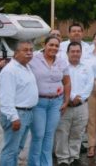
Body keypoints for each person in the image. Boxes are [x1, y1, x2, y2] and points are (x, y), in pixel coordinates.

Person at [29, 34, 71, 166]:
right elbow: (18, 62)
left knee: (49, 135)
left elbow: (67, 83)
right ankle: (34, 164)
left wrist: (66, 101)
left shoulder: (62, 62)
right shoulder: (33, 59)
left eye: (56, 46)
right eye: (51, 45)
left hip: (55, 103)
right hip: (38, 103)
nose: (54, 47)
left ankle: (46, 164)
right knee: (38, 135)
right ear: (44, 45)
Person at [0, 40, 38, 166]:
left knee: (17, 149)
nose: (29, 53)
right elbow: (5, 98)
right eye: (25, 50)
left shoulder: (26, 66)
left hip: (26, 113)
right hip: (16, 114)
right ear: (16, 53)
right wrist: (14, 118)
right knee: (10, 151)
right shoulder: (10, 71)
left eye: (31, 50)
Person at [55, 42, 94, 166]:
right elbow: (60, 83)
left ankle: (74, 157)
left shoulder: (87, 66)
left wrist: (80, 98)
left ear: (81, 53)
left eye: (78, 51)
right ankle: (63, 159)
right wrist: (71, 97)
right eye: (72, 51)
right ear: (67, 53)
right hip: (65, 105)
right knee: (62, 132)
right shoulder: (61, 66)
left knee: (77, 132)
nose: (75, 54)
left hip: (81, 105)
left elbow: (90, 84)